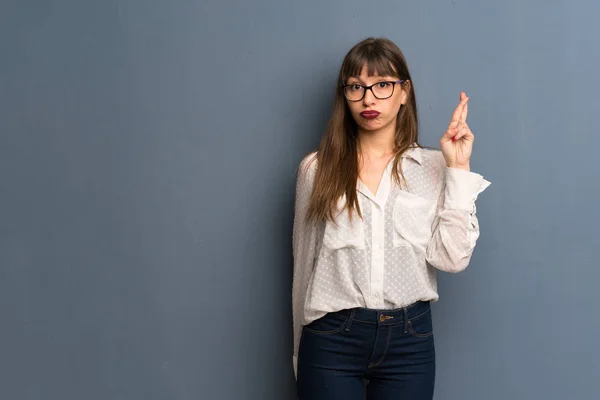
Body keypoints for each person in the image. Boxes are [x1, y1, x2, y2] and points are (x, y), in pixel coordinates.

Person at [291, 37, 491, 400]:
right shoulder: (316, 169)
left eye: (382, 85)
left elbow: (452, 258)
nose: (369, 98)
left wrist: (458, 167)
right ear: (345, 95)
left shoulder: (432, 168)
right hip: (331, 339)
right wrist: (298, 353)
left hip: (408, 341)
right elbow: (303, 268)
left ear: (404, 92)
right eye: (357, 87)